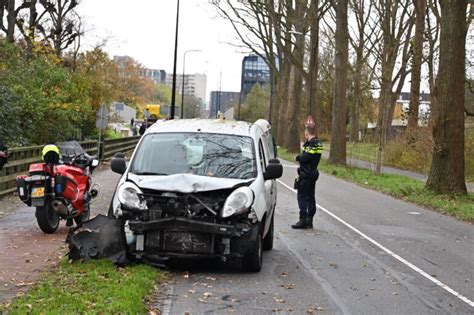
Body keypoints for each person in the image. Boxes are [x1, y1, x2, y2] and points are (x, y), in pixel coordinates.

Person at [291, 125, 323, 229]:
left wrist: (298, 157)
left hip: (306, 174)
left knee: (302, 196)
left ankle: (303, 219)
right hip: (313, 172)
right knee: (310, 196)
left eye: (305, 132)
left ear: (307, 133)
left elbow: (305, 158)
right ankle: (310, 219)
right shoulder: (318, 144)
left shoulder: (312, 144)